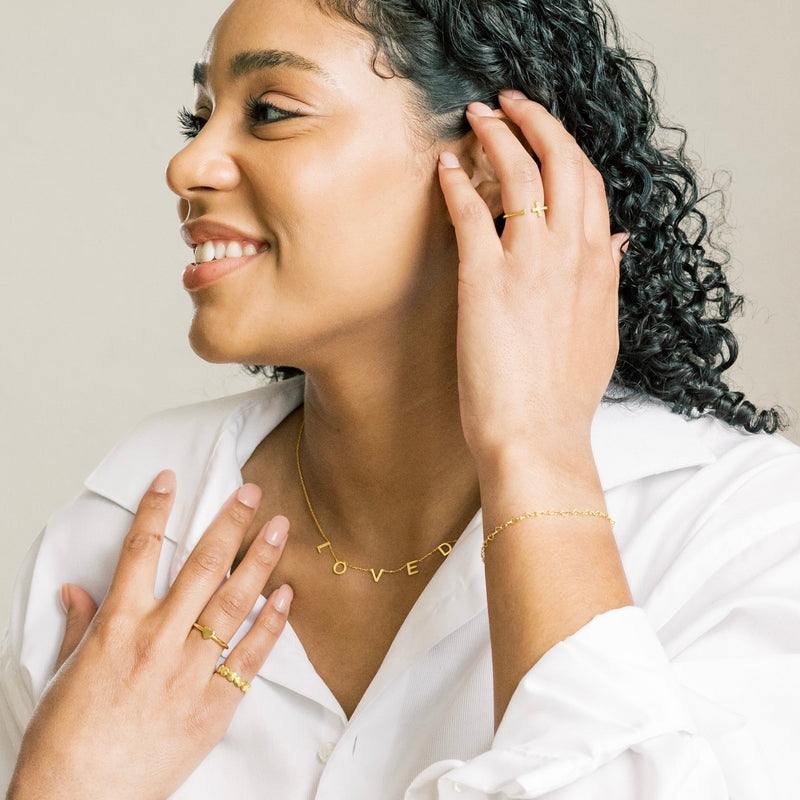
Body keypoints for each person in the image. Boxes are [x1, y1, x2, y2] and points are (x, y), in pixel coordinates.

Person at [2, 0, 799, 797]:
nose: (188, 166)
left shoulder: (741, 535)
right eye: (199, 117)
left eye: (270, 112)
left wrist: (536, 455)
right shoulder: (130, 526)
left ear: (489, 163)